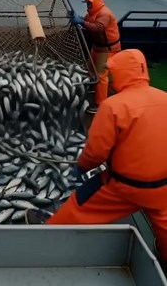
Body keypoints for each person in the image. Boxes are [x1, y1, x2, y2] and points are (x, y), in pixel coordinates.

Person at [26, 49, 167, 269]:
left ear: (121, 73)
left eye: (113, 72)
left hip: (124, 188)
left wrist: (82, 167)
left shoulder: (114, 106)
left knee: (79, 204)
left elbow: (96, 152)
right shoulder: (164, 98)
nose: (110, 76)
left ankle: (49, 232)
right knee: (164, 224)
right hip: (164, 188)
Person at [71, 0, 121, 109]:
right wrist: (78, 19)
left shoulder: (105, 13)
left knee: (101, 76)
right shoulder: (92, 12)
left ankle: (101, 104)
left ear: (96, 3)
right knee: (90, 69)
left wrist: (82, 22)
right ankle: (95, 89)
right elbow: (87, 22)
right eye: (87, 3)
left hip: (107, 49)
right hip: (97, 46)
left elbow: (98, 28)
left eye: (89, 3)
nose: (87, 6)